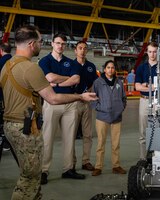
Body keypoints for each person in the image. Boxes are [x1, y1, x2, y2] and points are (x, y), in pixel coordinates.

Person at [0, 25, 97, 200]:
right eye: (39, 41)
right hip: (25, 127)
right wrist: (80, 96)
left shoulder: (6, 66)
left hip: (10, 125)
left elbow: (61, 79)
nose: (40, 44)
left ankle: (66, 170)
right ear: (31, 44)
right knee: (30, 178)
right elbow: (52, 97)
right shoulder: (32, 68)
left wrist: (56, 82)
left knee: (28, 173)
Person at [39, 33, 85, 184]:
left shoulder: (71, 63)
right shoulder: (44, 61)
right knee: (47, 139)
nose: (60, 46)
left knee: (69, 139)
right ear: (52, 43)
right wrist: (68, 79)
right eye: (58, 43)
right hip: (51, 102)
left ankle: (68, 169)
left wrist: (58, 83)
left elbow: (76, 79)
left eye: (63, 44)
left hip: (70, 103)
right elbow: (49, 78)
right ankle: (43, 171)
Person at [91, 60, 127, 176]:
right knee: (100, 143)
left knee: (115, 144)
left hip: (116, 117)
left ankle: (116, 166)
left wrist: (120, 108)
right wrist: (99, 108)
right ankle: (98, 166)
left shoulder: (119, 83)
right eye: (108, 67)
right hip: (102, 117)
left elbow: (123, 98)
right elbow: (93, 98)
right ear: (104, 69)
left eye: (112, 68)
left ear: (114, 70)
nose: (110, 70)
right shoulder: (98, 82)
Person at [135, 41, 160, 160]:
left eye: (154, 52)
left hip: (158, 101)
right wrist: (153, 86)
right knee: (143, 131)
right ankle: (143, 158)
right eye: (150, 52)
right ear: (147, 52)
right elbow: (137, 87)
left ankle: (156, 158)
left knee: (158, 129)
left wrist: (146, 85)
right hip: (144, 101)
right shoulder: (141, 67)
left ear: (157, 52)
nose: (152, 54)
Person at [73, 41, 98, 171]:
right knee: (71, 134)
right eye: (80, 48)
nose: (82, 51)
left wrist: (89, 93)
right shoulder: (71, 65)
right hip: (73, 102)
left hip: (87, 102)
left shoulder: (91, 66)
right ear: (75, 51)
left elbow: (95, 82)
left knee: (87, 134)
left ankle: (86, 161)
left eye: (84, 48)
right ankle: (71, 162)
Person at [0, 42, 13, 151]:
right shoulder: (15, 61)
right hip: (13, 96)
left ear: (1, 50)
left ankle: (5, 143)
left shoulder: (1, 63)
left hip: (2, 96)